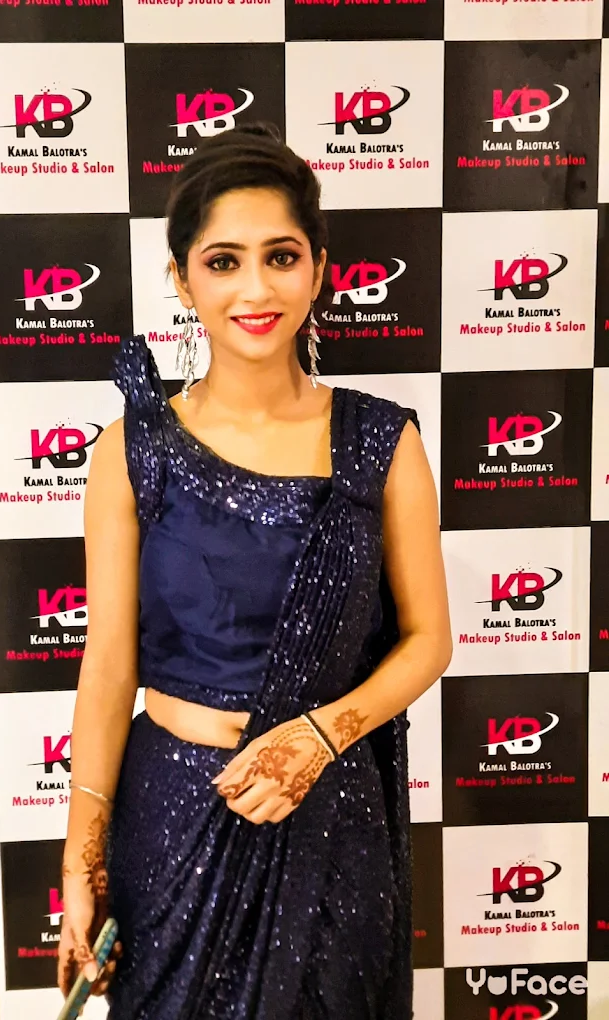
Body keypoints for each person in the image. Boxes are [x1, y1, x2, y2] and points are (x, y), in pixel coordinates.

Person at [57, 122, 452, 1020]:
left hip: (327, 816)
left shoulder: (381, 442)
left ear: (318, 269)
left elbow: (429, 639)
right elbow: (107, 667)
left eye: (280, 257)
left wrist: (319, 737)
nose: (255, 288)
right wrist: (81, 864)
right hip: (172, 820)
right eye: (223, 262)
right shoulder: (132, 451)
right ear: (182, 280)